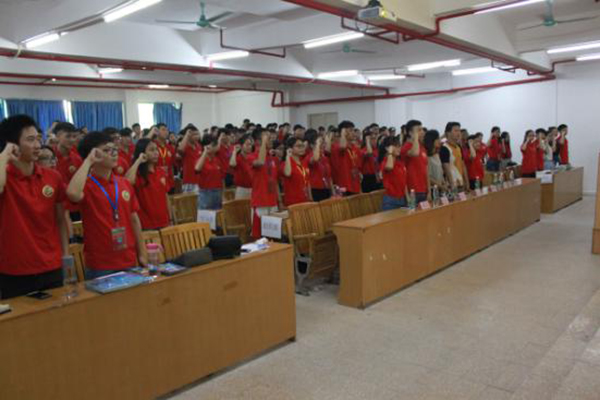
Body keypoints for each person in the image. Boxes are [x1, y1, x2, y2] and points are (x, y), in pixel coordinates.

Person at [0, 115, 69, 299]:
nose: (38, 145)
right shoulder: (4, 177)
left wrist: (65, 254)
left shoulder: (52, 177)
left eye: (38, 138)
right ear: (12, 145)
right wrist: (5, 155)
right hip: (15, 270)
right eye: (30, 140)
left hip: (51, 265)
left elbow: (60, 220)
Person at [67, 131, 146, 280]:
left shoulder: (123, 183)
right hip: (100, 264)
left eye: (114, 149)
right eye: (106, 150)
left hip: (128, 258)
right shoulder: (86, 185)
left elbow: (134, 220)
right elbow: (72, 193)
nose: (114, 153)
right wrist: (88, 161)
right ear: (93, 155)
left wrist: (141, 253)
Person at [126, 139, 171, 230]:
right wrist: (138, 161)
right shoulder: (137, 173)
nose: (156, 153)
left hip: (164, 222)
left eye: (156, 149)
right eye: (151, 150)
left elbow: (166, 196)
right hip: (146, 225)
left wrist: (171, 219)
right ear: (142, 153)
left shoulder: (161, 171)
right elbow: (127, 182)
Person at [249, 129, 280, 238]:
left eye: (270, 137)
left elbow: (275, 180)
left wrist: (279, 200)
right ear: (258, 141)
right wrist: (263, 143)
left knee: (273, 236)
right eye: (267, 138)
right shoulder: (251, 156)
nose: (271, 140)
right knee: (259, 237)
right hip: (260, 201)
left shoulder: (271, 158)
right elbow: (260, 162)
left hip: (272, 201)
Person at [330, 121, 362, 196]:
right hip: (343, 186)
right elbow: (343, 147)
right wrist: (343, 133)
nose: (353, 133)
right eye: (350, 130)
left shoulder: (355, 148)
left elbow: (358, 167)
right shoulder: (336, 146)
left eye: (353, 130)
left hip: (355, 185)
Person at [401, 120, 429, 203]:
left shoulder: (422, 147)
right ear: (410, 133)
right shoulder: (406, 147)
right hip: (412, 191)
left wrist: (429, 191)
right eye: (419, 130)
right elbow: (415, 153)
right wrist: (416, 138)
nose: (422, 132)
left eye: (422, 129)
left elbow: (426, 170)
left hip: (424, 189)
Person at [195, 136, 224, 210]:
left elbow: (221, 178)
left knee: (218, 216)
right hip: (205, 193)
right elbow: (197, 168)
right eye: (212, 145)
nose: (214, 147)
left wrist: (222, 194)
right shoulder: (200, 158)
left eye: (214, 145)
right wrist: (205, 151)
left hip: (218, 192)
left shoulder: (217, 159)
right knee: (205, 216)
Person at [379, 136, 408, 211]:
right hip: (390, 201)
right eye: (395, 146)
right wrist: (390, 152)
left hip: (402, 199)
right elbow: (390, 166)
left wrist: (408, 198)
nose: (399, 148)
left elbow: (404, 182)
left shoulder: (400, 163)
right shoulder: (385, 162)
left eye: (399, 146)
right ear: (387, 148)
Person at [282, 137, 310, 207]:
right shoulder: (285, 163)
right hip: (293, 202)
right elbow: (287, 173)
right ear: (290, 148)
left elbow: (307, 181)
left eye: (303, 146)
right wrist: (288, 156)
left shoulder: (303, 163)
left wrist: (310, 198)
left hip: (305, 200)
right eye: (298, 146)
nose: (302, 148)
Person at [440, 122, 469, 191]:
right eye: (456, 131)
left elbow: (463, 165)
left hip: (461, 183)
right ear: (448, 133)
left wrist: (467, 182)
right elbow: (446, 167)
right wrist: (452, 184)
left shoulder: (459, 147)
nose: (458, 133)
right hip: (451, 185)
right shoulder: (444, 148)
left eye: (459, 130)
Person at [305, 130, 333, 202]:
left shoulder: (325, 158)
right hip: (316, 189)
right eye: (320, 143)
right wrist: (317, 145)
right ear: (312, 145)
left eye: (323, 143)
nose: (322, 145)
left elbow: (329, 176)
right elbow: (315, 159)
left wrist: (333, 192)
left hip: (326, 188)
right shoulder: (309, 156)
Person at [177, 124, 202, 193]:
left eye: (197, 134)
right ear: (188, 136)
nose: (197, 136)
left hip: (199, 180)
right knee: (189, 199)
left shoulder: (199, 146)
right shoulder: (185, 146)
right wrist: (187, 135)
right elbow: (180, 150)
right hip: (189, 181)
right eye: (194, 135)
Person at [229, 133, 254, 199]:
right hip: (242, 189)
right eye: (247, 144)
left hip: (253, 188)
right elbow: (232, 164)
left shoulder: (252, 157)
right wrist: (234, 151)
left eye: (250, 144)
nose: (249, 147)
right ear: (241, 146)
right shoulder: (238, 157)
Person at [155, 123, 175, 192]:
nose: (166, 132)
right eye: (163, 130)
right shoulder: (153, 146)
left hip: (169, 182)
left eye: (167, 130)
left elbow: (171, 166)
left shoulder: (170, 148)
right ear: (157, 131)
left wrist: (172, 181)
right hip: (157, 181)